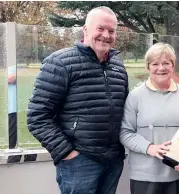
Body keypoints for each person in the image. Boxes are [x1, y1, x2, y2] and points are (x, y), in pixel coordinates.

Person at [27, 6, 129, 194]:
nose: (106, 35)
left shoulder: (118, 66)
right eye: (100, 28)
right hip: (80, 162)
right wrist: (67, 153)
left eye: (111, 31)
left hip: (113, 160)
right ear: (85, 29)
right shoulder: (60, 63)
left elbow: (125, 110)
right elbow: (37, 116)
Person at [120, 43, 179, 194]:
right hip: (144, 175)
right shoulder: (135, 96)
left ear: (173, 65)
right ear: (148, 67)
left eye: (166, 63)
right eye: (155, 64)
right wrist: (149, 148)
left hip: (176, 173)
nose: (161, 68)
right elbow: (125, 133)